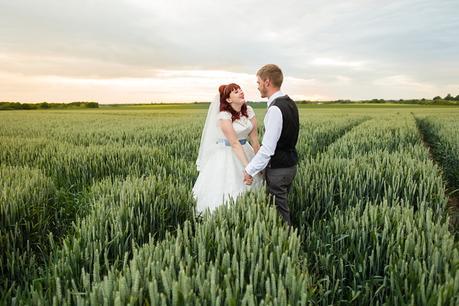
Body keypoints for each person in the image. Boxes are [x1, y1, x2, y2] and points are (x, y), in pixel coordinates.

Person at [193, 83, 263, 213]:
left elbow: (255, 141)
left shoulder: (249, 111)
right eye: (236, 92)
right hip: (227, 153)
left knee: (254, 190)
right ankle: (224, 215)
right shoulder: (224, 116)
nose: (241, 92)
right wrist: (248, 168)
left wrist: (260, 164)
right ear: (228, 99)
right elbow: (235, 143)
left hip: (246, 150)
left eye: (240, 90)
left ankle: (251, 214)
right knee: (228, 188)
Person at [243, 64, 299, 226]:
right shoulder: (290, 103)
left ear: (267, 82)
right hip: (290, 165)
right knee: (281, 209)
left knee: (280, 216)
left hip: (278, 170)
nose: (258, 86)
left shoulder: (275, 109)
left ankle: (288, 246)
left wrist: (250, 170)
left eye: (259, 82)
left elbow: (267, 149)